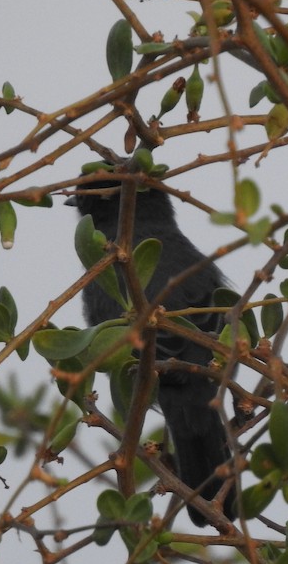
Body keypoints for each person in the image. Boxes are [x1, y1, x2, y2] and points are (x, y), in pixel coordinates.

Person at [69, 175, 235, 525]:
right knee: (198, 421)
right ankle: (216, 497)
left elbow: (111, 341)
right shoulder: (186, 255)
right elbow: (219, 313)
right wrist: (195, 359)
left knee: (190, 423)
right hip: (203, 365)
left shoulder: (105, 274)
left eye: (85, 204)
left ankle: (208, 494)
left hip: (157, 370)